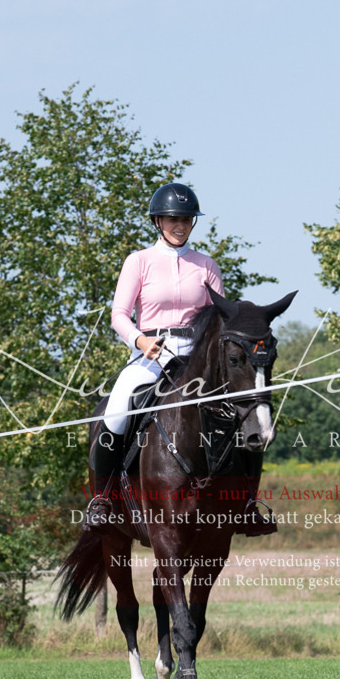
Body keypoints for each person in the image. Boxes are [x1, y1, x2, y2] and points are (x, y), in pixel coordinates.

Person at [87, 183, 224, 522]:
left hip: (196, 357)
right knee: (116, 410)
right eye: (174, 219)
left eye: (187, 220)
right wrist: (139, 341)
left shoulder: (206, 265)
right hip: (150, 353)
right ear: (158, 221)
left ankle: (248, 501)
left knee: (236, 412)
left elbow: (221, 317)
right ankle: (103, 499)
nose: (181, 226)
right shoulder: (139, 262)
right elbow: (118, 315)